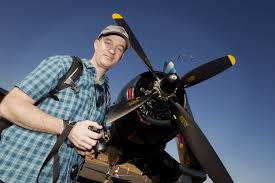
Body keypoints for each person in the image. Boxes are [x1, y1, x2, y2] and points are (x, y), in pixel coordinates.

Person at [0, 25, 130, 183]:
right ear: (96, 44)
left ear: (121, 57)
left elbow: (89, 138)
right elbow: (9, 105)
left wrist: (89, 145)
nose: (112, 50)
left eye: (119, 48)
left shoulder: (105, 95)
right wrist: (68, 129)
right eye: (108, 43)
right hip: (15, 175)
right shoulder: (65, 65)